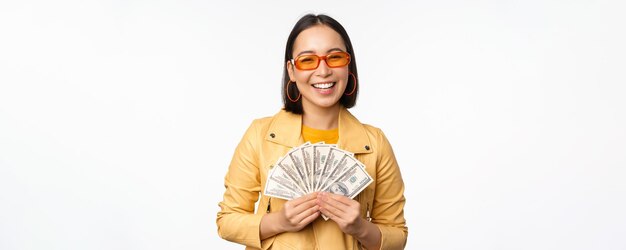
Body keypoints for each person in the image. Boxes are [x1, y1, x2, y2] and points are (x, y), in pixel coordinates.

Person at [217, 14, 407, 250]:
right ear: (292, 70)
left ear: (348, 66)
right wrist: (280, 221)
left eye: (335, 57)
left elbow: (397, 236)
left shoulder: (374, 143)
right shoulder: (260, 135)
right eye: (308, 60)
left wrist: (359, 227)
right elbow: (227, 221)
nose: (324, 70)